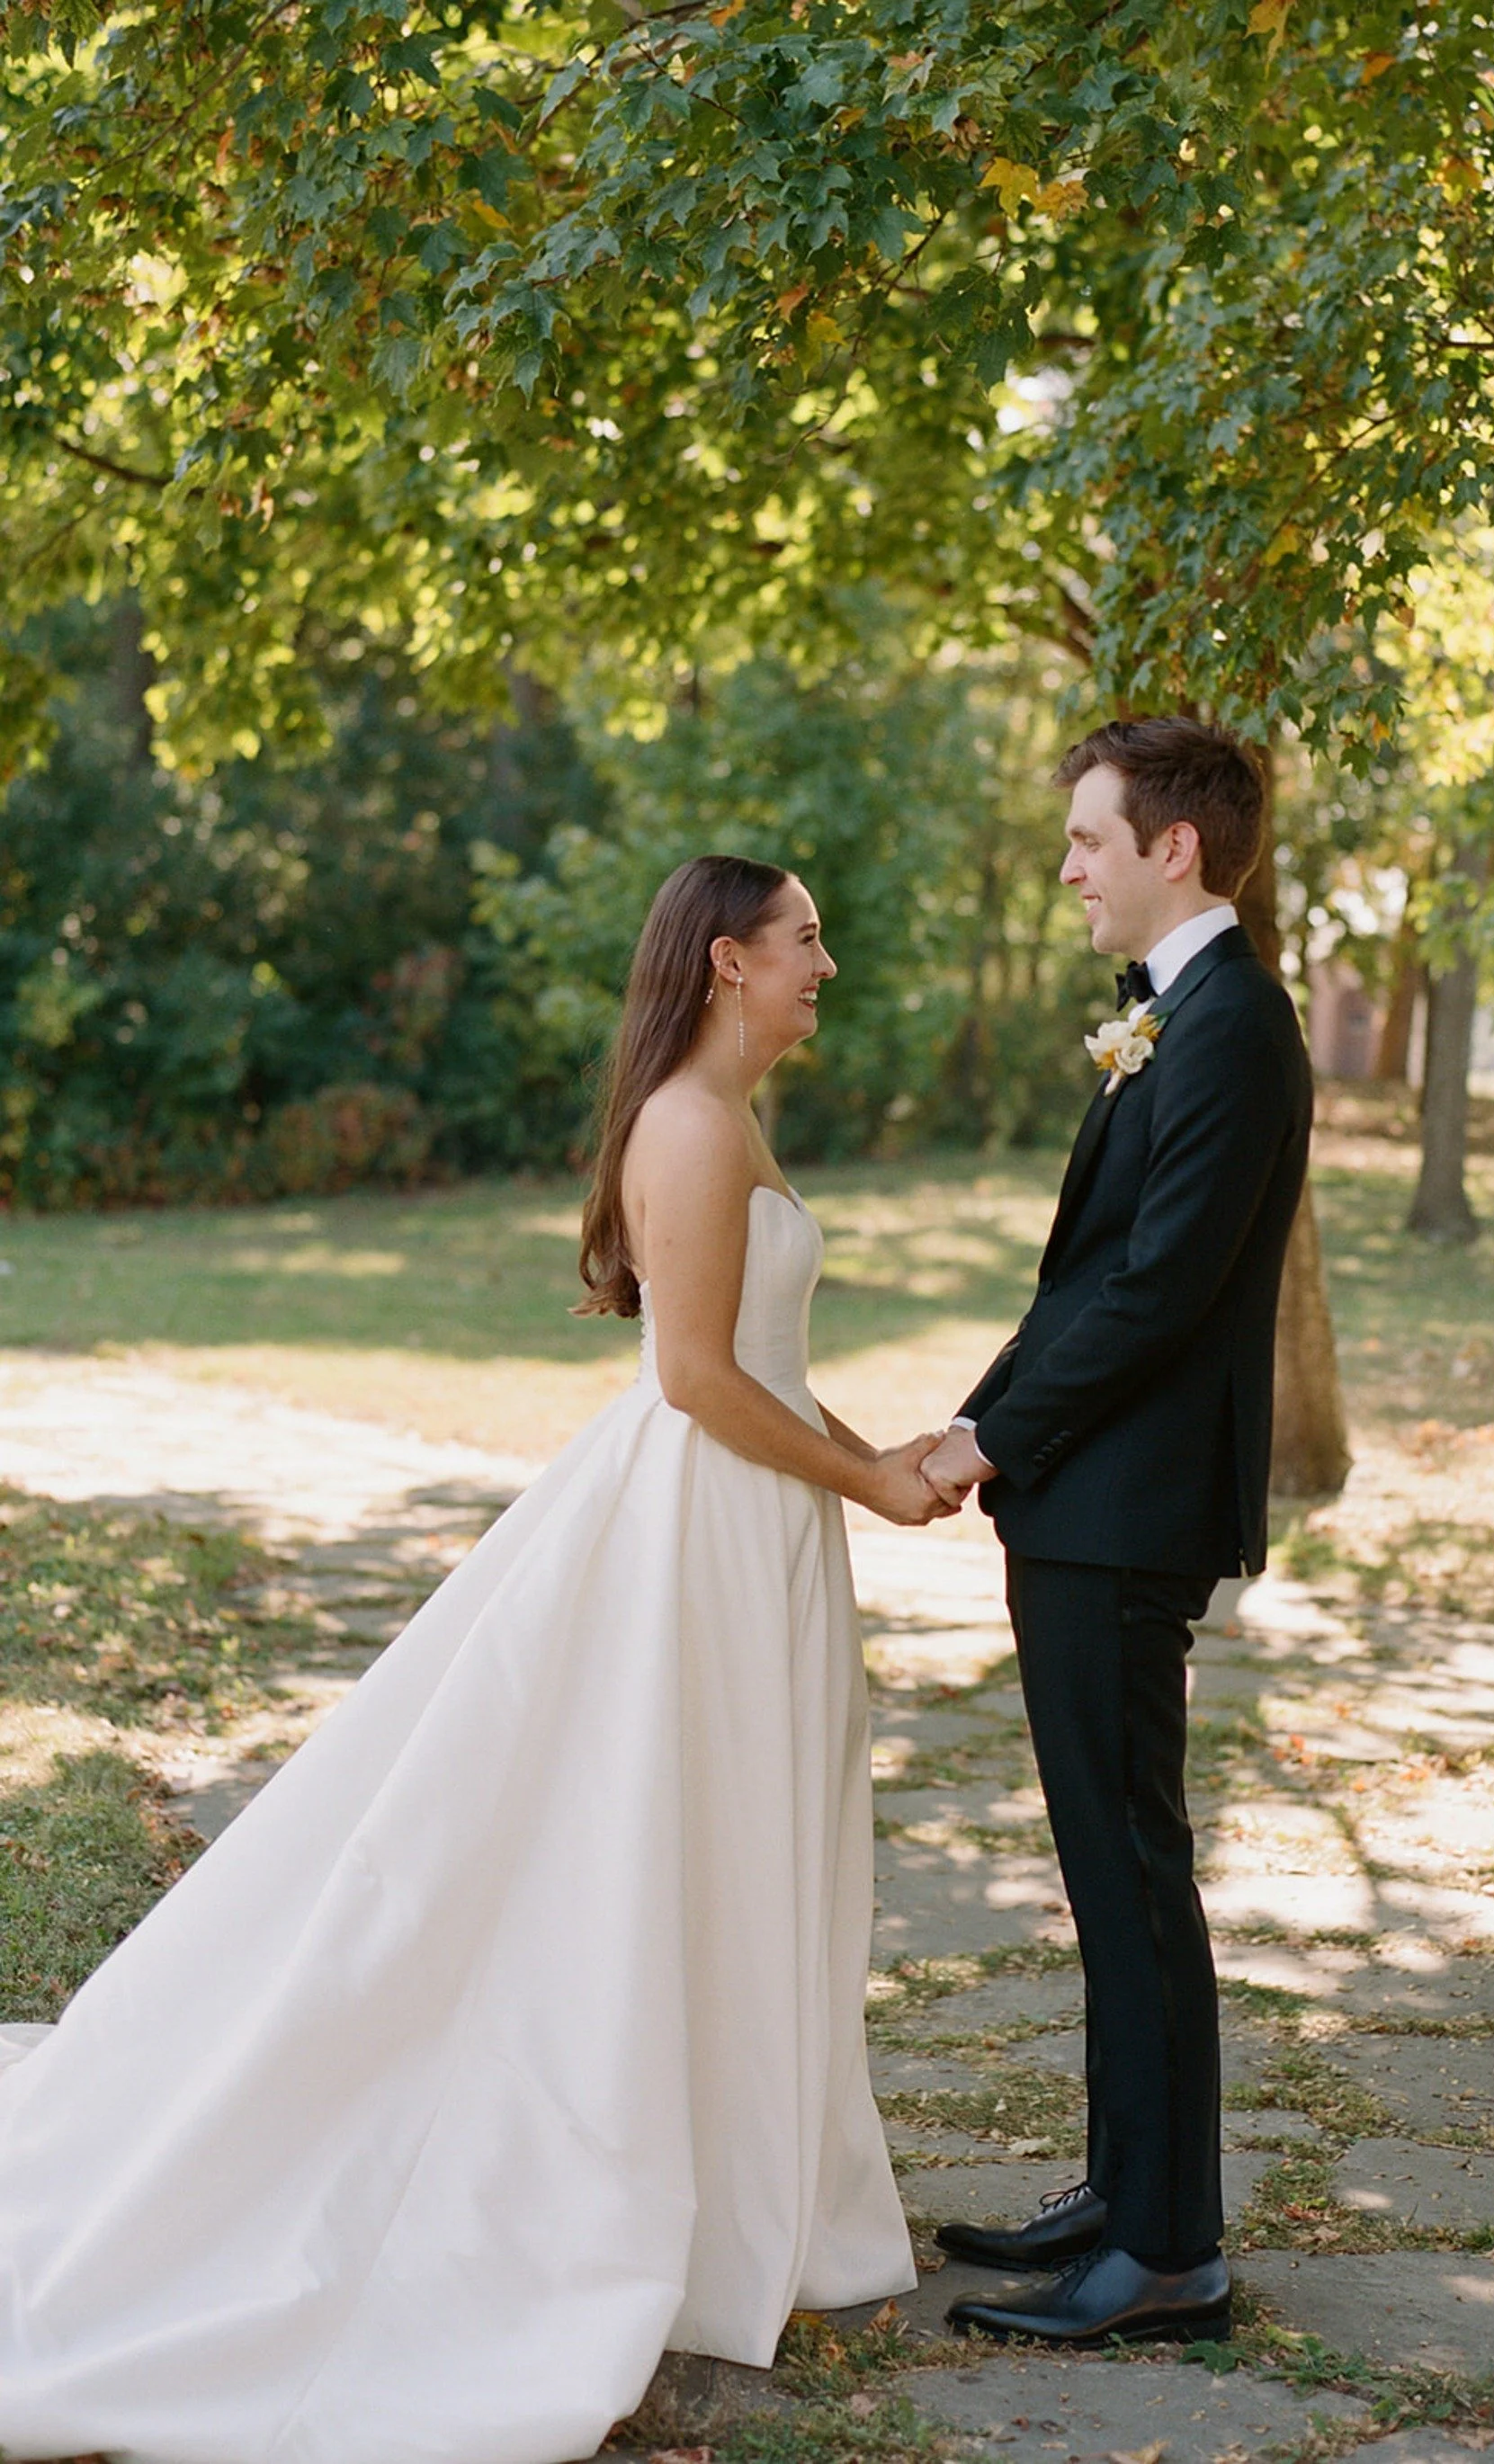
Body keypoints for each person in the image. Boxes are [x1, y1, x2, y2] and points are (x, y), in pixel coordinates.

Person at [0, 854, 943, 2464]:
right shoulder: (698, 1127)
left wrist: (888, 1459)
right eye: (805, 940)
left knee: (739, 1842)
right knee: (655, 1844)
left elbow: (766, 1366)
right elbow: (703, 1378)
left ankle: (738, 2159)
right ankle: (611, 2168)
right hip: (706, 1524)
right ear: (727, 963)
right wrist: (868, 1478)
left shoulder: (727, 1115)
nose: (825, 965)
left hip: (757, 1516)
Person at [921, 718, 1312, 2349]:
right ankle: (1122, 2185)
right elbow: (1085, 1282)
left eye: (1090, 838)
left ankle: (1167, 2251)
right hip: (1088, 1502)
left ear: (1176, 851)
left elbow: (1159, 1291)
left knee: (1133, 1872)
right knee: (1106, 1869)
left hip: (1127, 1515)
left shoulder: (1232, 1027)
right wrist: (978, 1419)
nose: (1069, 866)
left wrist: (990, 1437)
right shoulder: (1183, 1014)